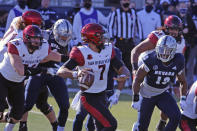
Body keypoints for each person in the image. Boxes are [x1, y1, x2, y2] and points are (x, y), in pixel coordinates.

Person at [57, 23, 130, 131]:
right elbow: (60, 71)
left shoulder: (108, 50)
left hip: (102, 95)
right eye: (100, 36)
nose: (103, 39)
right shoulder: (81, 52)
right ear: (93, 38)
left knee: (99, 127)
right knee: (111, 124)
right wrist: (76, 74)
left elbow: (121, 67)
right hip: (88, 97)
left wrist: (124, 75)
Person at [131, 15, 186, 131]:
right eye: (171, 29)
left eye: (176, 29)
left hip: (164, 75)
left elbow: (178, 64)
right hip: (148, 73)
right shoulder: (157, 37)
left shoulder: (181, 43)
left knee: (170, 111)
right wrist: (135, 70)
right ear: (166, 28)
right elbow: (136, 51)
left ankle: (161, 123)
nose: (173, 32)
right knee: (143, 122)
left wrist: (177, 84)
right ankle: (138, 126)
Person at [0, 25, 59, 131]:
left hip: (17, 83)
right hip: (2, 78)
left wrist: (73, 60)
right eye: (34, 38)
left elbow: (55, 56)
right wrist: (43, 70)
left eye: (38, 38)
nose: (37, 41)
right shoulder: (16, 45)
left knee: (16, 117)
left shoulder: (43, 47)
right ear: (26, 38)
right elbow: (21, 71)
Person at [18, 19, 73, 131]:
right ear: (56, 32)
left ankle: (59, 129)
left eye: (66, 37)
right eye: (62, 36)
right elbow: (37, 57)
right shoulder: (44, 36)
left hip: (53, 73)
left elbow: (65, 59)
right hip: (37, 72)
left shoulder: (67, 42)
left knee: (64, 105)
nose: (64, 39)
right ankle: (15, 126)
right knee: (27, 104)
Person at [72, 47, 123, 131]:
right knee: (80, 116)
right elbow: (79, 67)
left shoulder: (114, 53)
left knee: (94, 122)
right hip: (90, 91)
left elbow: (122, 73)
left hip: (105, 92)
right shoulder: (91, 52)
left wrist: (117, 93)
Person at [109, 0, 137, 87]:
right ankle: (115, 80)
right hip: (119, 41)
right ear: (121, 2)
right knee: (117, 61)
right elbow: (110, 25)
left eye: (127, 0)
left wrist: (139, 38)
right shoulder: (116, 12)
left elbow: (137, 25)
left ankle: (131, 81)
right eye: (124, 0)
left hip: (130, 41)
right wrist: (111, 39)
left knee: (130, 62)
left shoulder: (133, 12)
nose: (126, 2)